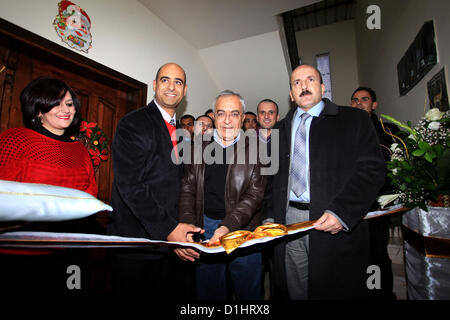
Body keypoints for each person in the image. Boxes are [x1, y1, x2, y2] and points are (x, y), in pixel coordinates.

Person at [262, 65, 386, 300]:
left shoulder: (353, 119)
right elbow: (270, 183)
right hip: (288, 224)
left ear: (322, 86)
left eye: (310, 79)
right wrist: (270, 218)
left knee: (336, 289)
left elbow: (372, 170)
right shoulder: (278, 131)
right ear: (291, 94)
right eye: (296, 83)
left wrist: (342, 212)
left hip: (332, 222)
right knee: (295, 289)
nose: (304, 86)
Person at [107, 63, 201, 298]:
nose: (171, 87)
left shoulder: (181, 132)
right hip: (135, 245)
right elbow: (131, 185)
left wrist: (182, 229)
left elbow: (181, 185)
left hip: (170, 246)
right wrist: (169, 229)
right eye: (165, 80)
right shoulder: (133, 123)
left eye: (178, 82)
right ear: (155, 85)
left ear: (185, 89)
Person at [0, 76, 98, 296]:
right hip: (22, 255)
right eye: (56, 102)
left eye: (69, 103)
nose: (65, 109)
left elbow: (89, 195)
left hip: (71, 253)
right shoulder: (15, 140)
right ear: (38, 109)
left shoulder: (80, 150)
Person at [175, 90, 267, 300]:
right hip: (204, 227)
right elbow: (188, 186)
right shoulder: (198, 146)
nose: (227, 120)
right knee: (209, 292)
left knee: (249, 293)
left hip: (244, 232)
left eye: (234, 114)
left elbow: (254, 195)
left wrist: (227, 226)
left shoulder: (257, 149)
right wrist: (187, 223)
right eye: (221, 113)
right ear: (214, 116)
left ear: (243, 118)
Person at [351, 86, 399, 300]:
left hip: (377, 205)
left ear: (374, 104)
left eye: (364, 99)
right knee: (355, 255)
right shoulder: (344, 131)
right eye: (355, 100)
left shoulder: (388, 131)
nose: (359, 103)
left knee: (376, 254)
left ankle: (380, 294)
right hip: (351, 205)